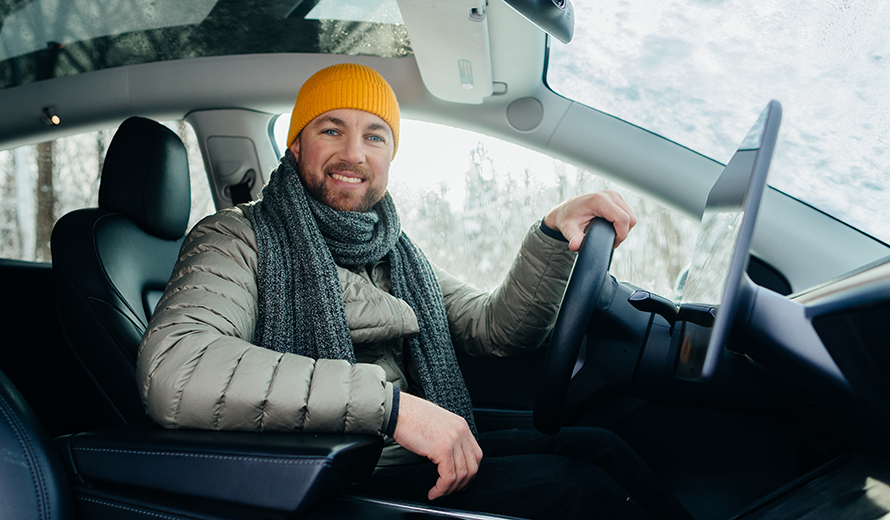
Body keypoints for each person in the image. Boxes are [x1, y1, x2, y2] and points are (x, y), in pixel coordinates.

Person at [137, 63, 690, 519]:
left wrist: (550, 238)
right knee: (581, 491)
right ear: (297, 145)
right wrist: (392, 408)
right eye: (331, 129)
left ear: (389, 158)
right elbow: (179, 370)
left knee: (598, 446)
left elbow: (492, 328)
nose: (354, 153)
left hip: (402, 465)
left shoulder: (393, 249)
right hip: (326, 481)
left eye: (374, 136)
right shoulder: (236, 237)